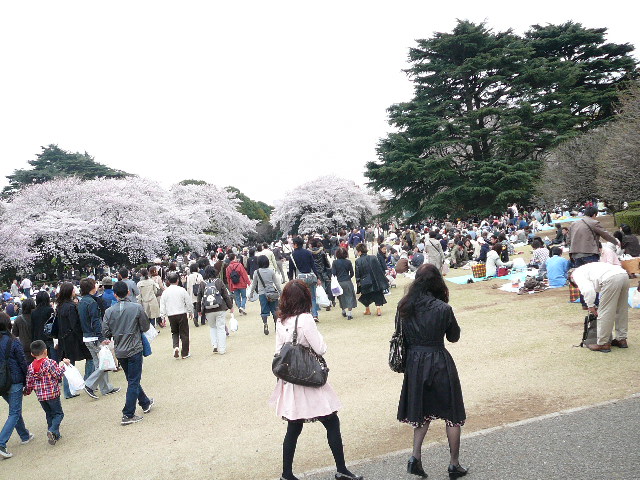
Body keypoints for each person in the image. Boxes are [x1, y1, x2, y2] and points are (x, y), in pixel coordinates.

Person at [269, 280, 363, 480]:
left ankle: (286, 473)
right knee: (331, 421)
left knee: (294, 427)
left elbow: (278, 351)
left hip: (291, 381)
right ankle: (341, 469)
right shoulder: (305, 319)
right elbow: (320, 348)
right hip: (309, 378)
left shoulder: (280, 320)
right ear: (305, 297)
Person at [396, 264, 467, 478]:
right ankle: (453, 463)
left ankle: (415, 457)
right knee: (452, 414)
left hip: (414, 363)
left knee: (422, 411)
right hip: (438, 360)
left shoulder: (404, 306)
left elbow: (400, 337)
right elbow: (453, 337)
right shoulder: (443, 308)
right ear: (437, 283)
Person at [102, 281, 154, 425]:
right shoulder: (136, 308)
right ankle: (128, 413)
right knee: (133, 380)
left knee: (132, 379)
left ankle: (145, 402)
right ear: (129, 292)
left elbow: (105, 331)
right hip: (134, 348)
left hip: (120, 350)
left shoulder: (109, 311)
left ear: (115, 295)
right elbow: (145, 326)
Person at [569, 263, 629, 352]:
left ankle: (603, 344)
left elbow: (588, 291)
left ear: (571, 278)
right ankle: (621, 339)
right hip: (624, 275)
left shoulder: (576, 274)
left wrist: (590, 306)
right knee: (621, 310)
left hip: (610, 278)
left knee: (605, 311)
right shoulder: (587, 268)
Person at [77, 278, 119, 399]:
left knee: (98, 363)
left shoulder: (81, 302)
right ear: (92, 288)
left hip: (87, 336)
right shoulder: (92, 302)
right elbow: (95, 321)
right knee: (103, 363)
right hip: (94, 337)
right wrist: (101, 337)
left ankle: (106, 388)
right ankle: (90, 384)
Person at [0, 312, 32, 458]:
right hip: (14, 380)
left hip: (2, 382)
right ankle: (1, 443)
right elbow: (22, 362)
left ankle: (24, 435)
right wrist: (27, 381)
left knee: (15, 409)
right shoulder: (13, 341)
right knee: (14, 412)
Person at [23, 340, 67, 445]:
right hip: (52, 394)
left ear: (32, 354)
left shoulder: (30, 367)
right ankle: (52, 431)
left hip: (41, 396)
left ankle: (55, 435)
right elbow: (58, 375)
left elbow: (29, 382)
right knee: (58, 414)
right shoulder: (50, 363)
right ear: (45, 351)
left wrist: (27, 391)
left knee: (49, 414)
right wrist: (64, 366)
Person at [56, 282, 93, 399]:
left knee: (68, 364)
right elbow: (75, 325)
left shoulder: (60, 306)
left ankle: (67, 391)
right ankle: (88, 382)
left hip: (63, 338)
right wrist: (82, 337)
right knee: (90, 358)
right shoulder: (71, 307)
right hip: (74, 338)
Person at [197, 266, 234, 353]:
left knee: (212, 327)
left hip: (208, 309)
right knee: (221, 328)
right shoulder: (219, 282)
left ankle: (215, 345)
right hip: (220, 308)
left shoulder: (202, 283)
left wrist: (199, 310)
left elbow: (199, 297)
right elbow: (225, 295)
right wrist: (230, 306)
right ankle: (222, 349)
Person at [159, 272, 193, 359]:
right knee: (184, 333)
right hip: (181, 313)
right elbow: (188, 301)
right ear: (177, 280)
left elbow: (162, 304)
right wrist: (190, 311)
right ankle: (185, 353)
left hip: (171, 314)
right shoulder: (181, 290)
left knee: (174, 332)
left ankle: (176, 347)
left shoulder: (165, 292)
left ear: (169, 281)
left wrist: (162, 316)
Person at [288, 236, 321, 322]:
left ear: (295, 245)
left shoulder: (292, 255)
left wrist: (291, 280)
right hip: (310, 277)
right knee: (313, 297)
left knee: (302, 298)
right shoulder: (308, 253)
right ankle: (315, 315)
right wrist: (317, 277)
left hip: (300, 279)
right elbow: (313, 266)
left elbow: (291, 270)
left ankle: (306, 315)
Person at [248, 255, 282, 335]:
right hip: (272, 293)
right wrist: (281, 292)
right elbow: (276, 283)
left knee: (264, 310)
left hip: (262, 294)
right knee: (275, 310)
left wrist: (251, 294)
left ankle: (265, 324)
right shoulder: (271, 271)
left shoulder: (257, 272)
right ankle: (276, 325)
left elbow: (254, 284)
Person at [354, 243, 389, 316]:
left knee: (365, 296)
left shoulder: (358, 261)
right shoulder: (373, 257)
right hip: (375, 279)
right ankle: (378, 309)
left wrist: (358, 282)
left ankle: (367, 310)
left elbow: (358, 274)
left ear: (360, 251)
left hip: (365, 281)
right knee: (377, 294)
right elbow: (379, 268)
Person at [331, 247, 357, 319]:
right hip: (347, 281)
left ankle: (343, 310)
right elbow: (352, 273)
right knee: (349, 297)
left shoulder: (335, 262)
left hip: (339, 282)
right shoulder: (348, 262)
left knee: (340, 297)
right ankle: (349, 313)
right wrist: (348, 277)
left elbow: (333, 273)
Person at [11, 298, 34, 364]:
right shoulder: (36, 318)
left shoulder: (18, 319)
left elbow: (14, 334)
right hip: (36, 346)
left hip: (24, 346)